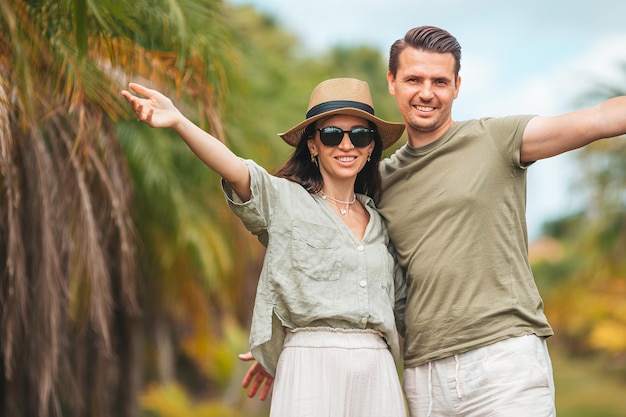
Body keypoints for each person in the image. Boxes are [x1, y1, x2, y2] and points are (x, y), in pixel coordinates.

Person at [241, 26, 626, 417]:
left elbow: (598, 118)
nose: (427, 92)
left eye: (440, 81)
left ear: (457, 86)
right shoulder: (379, 184)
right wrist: (288, 347)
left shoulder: (496, 139)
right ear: (392, 83)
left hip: (503, 361)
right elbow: (336, 260)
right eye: (414, 79)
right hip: (423, 375)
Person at [122, 78, 408, 417]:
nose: (347, 145)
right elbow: (235, 168)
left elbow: (405, 305)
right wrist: (179, 121)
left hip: (377, 368)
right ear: (313, 146)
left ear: (372, 147)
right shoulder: (283, 199)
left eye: (360, 135)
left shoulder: (382, 220)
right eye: (332, 134)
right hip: (309, 364)